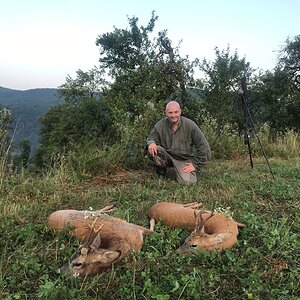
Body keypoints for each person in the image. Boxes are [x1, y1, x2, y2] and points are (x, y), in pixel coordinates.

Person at [146, 100, 211, 185]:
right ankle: (160, 172)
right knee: (154, 149)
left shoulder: (190, 125)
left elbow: (204, 147)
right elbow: (151, 137)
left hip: (183, 159)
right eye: (170, 113)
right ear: (166, 113)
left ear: (180, 111)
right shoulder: (160, 125)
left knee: (187, 182)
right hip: (167, 155)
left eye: (176, 112)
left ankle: (190, 171)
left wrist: (195, 164)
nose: (173, 115)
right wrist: (151, 143)